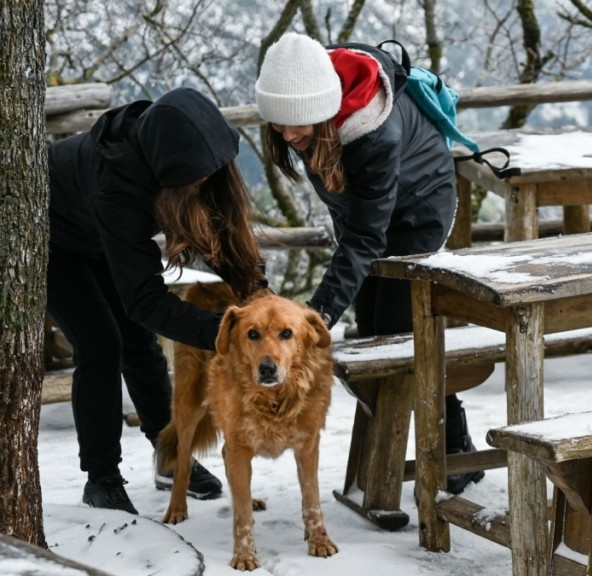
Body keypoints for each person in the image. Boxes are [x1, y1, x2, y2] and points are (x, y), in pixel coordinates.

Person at [254, 32, 483, 494]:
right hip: (366, 217)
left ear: (325, 110)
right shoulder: (305, 90)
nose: (288, 135)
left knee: (393, 342)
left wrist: (312, 321)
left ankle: (429, 460)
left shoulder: (374, 131)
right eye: (278, 124)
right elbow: (359, 227)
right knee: (378, 336)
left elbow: (365, 238)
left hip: (417, 212)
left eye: (297, 125)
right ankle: (401, 460)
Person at [47, 87, 267, 514]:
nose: (207, 180)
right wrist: (227, 333)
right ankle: (102, 478)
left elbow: (227, 242)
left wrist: (259, 299)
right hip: (54, 237)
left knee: (140, 343)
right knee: (101, 346)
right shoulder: (117, 188)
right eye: (197, 176)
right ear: (170, 172)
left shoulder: (181, 152)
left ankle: (169, 457)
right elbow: (144, 300)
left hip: (99, 236)